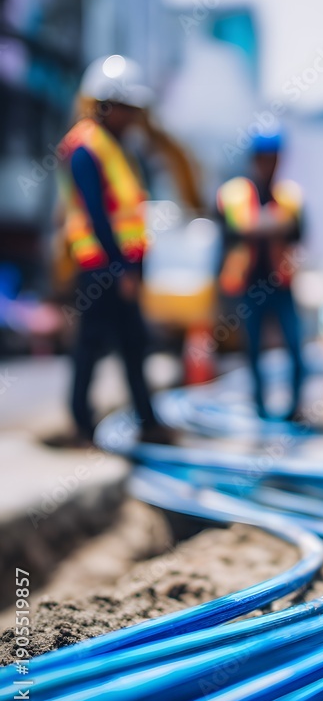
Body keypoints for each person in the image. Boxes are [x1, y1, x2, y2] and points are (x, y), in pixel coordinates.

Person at [52, 54, 173, 447]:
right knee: (92, 344)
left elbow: (128, 214)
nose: (134, 117)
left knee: (133, 343)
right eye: (128, 108)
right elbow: (98, 216)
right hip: (100, 267)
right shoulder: (86, 148)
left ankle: (146, 421)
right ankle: (81, 424)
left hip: (121, 266)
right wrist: (121, 269)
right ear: (106, 105)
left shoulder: (117, 148)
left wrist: (134, 266)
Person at [217, 127, 304, 420]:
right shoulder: (234, 194)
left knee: (295, 347)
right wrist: (271, 225)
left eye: (274, 158)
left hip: (281, 283)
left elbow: (296, 232)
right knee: (252, 350)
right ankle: (261, 410)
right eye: (264, 158)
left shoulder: (289, 196)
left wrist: (256, 226)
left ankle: (295, 410)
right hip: (249, 285)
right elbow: (232, 234)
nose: (269, 163)